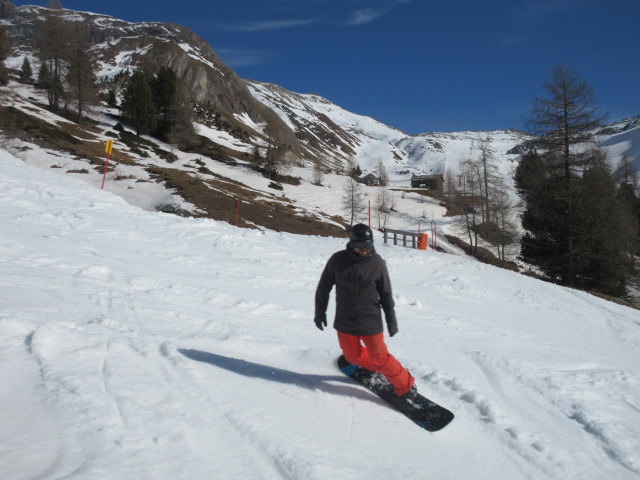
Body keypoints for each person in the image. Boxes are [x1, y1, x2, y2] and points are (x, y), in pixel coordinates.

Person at [314, 223, 416, 399]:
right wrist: (320, 312)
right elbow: (324, 287)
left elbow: (386, 295)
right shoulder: (337, 260)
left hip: (369, 321)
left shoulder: (377, 264)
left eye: (368, 247)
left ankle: (406, 385)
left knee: (381, 357)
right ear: (352, 244)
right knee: (352, 357)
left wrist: (391, 322)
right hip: (345, 321)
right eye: (361, 247)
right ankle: (380, 369)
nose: (364, 251)